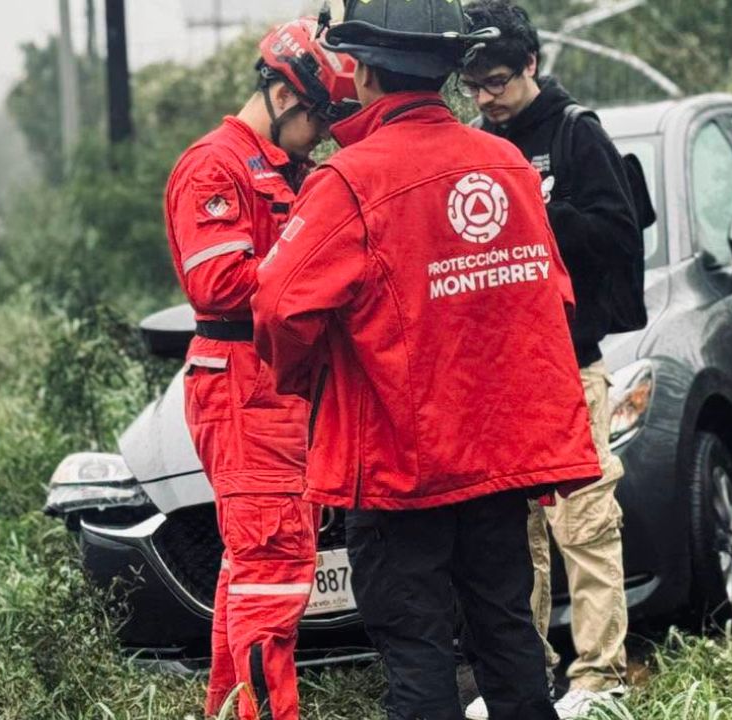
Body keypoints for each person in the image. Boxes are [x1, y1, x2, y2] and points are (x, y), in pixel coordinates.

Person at [251, 2, 603, 718]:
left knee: (416, 650)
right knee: (507, 636)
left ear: (365, 70)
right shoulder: (506, 164)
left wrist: (319, 375)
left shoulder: (349, 182)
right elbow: (555, 302)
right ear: (450, 70)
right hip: (497, 462)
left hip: (397, 469)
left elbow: (277, 309)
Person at [162, 18, 356, 720]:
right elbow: (216, 286)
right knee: (273, 571)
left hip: (277, 383)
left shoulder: (286, 169)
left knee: (252, 573)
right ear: (282, 94)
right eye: (319, 118)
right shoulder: (214, 166)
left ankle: (228, 710)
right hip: (243, 384)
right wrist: (311, 272)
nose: (323, 134)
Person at [458, 2, 645, 718]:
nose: (487, 99)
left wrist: (540, 211)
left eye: (498, 82)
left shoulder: (575, 133)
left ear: (531, 65)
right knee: (514, 532)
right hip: (499, 370)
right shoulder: (476, 141)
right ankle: (522, 680)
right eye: (473, 87)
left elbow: (617, 236)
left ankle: (600, 679)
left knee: (586, 519)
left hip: (570, 361)